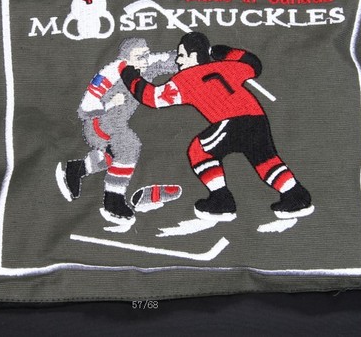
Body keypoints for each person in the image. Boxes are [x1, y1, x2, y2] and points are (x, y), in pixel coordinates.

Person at [120, 31, 313, 222]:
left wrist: (128, 74)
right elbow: (253, 64)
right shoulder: (227, 67)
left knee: (199, 151)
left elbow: (151, 97)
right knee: (266, 161)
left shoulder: (186, 78)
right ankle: (296, 196)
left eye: (181, 55)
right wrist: (226, 52)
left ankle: (222, 201)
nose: (178, 61)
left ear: (193, 56)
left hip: (233, 122)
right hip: (258, 120)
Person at [56, 38, 178, 227]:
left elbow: (168, 59)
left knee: (113, 158)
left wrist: (200, 56)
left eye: (146, 54)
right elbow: (85, 108)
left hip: (118, 123)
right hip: (98, 123)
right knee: (128, 146)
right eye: (140, 56)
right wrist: (109, 103)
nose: (145, 59)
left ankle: (76, 169)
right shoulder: (110, 74)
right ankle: (113, 201)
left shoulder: (146, 65)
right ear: (125, 58)